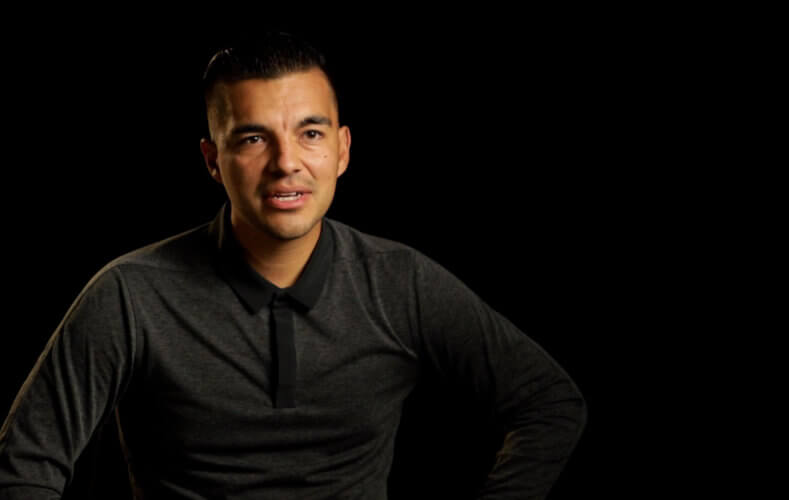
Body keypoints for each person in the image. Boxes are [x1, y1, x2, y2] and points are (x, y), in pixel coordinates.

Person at [0, 31, 587, 499]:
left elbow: (549, 403)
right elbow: (24, 463)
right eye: (253, 139)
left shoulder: (399, 282)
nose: (286, 163)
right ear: (213, 160)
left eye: (310, 132)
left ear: (342, 149)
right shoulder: (130, 294)